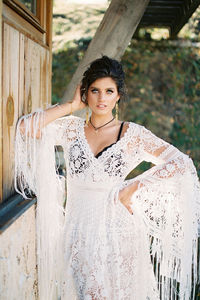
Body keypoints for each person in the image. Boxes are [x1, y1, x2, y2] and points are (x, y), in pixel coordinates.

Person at [15, 56, 200, 300]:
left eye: (109, 91)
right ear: (85, 93)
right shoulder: (71, 129)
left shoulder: (133, 134)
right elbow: (26, 128)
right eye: (95, 90)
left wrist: (135, 185)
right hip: (79, 230)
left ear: (118, 95)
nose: (102, 99)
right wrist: (70, 106)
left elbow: (181, 163)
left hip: (120, 232)